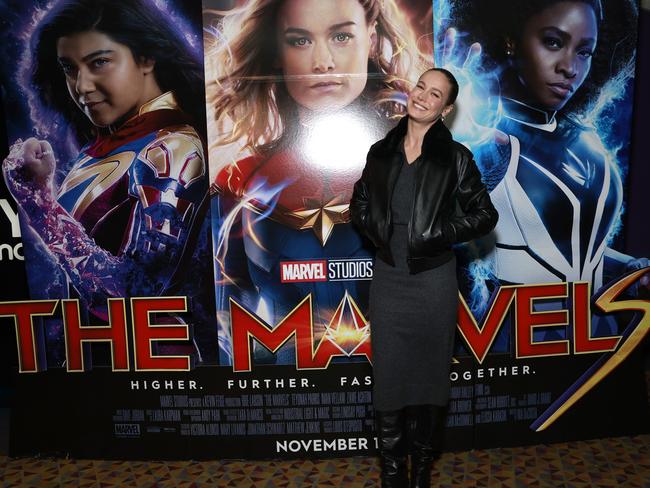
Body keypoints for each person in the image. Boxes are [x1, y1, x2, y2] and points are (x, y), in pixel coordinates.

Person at [206, 0, 430, 364]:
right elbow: (228, 322)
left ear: (371, 41)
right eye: (300, 41)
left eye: (341, 36)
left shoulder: (422, 163)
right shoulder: (239, 181)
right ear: (276, 52)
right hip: (289, 400)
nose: (323, 61)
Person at [2, 0, 216, 364]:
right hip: (100, 366)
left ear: (147, 58)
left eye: (99, 62)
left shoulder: (173, 149)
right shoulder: (105, 148)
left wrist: (38, 202)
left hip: (156, 368)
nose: (81, 86)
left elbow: (138, 295)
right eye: (70, 68)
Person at [350, 68, 498, 487]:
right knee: (390, 380)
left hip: (433, 283)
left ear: (445, 109)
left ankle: (422, 474)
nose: (423, 97)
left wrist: (439, 235)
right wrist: (374, 228)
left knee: (430, 381)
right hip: (388, 281)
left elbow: (486, 215)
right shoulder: (381, 152)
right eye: (421, 87)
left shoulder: (456, 158)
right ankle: (393, 473)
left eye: (435, 94)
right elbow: (359, 201)